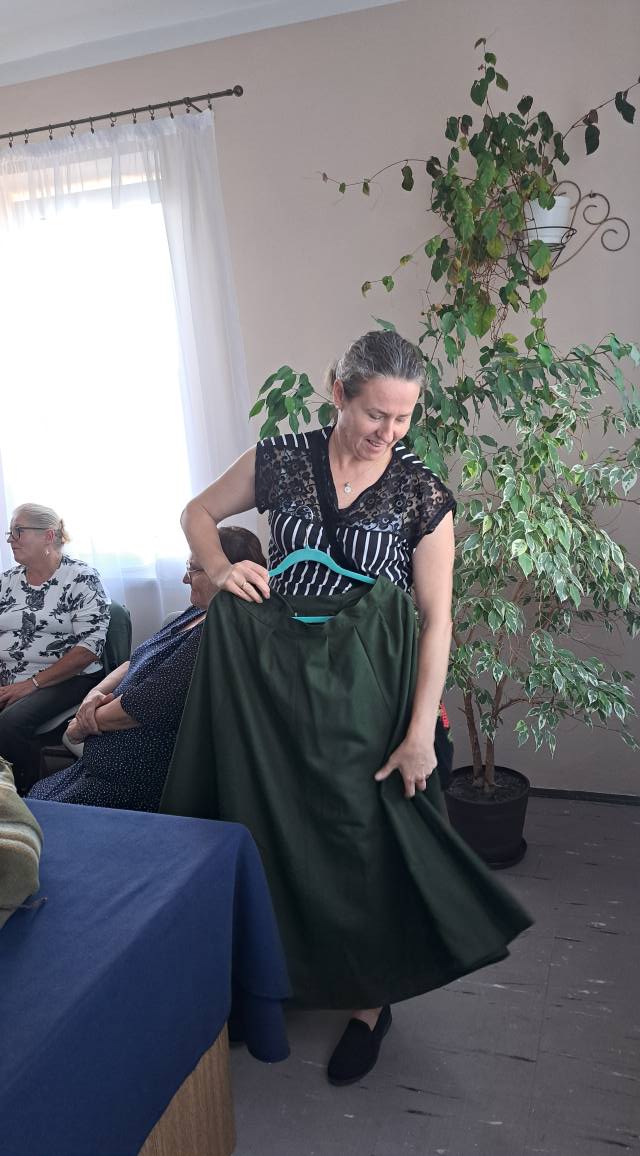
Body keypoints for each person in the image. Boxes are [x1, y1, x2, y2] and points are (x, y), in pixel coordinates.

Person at [165, 330, 532, 1085]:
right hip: (275, 687)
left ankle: (370, 1002)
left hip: (371, 695)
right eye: (375, 414)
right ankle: (276, 980)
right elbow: (196, 511)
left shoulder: (421, 494)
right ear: (338, 392)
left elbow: (438, 620)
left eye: (404, 418)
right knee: (272, 829)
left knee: (362, 843)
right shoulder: (279, 459)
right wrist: (221, 567)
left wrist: (421, 731)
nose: (388, 432)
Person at [29, 527, 265, 813]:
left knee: (39, 817)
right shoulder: (198, 612)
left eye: (194, 569)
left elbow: (145, 705)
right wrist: (91, 697)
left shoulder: (216, 634)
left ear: (225, 572)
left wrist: (83, 724)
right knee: (35, 802)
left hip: (133, 777)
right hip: (103, 759)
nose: (185, 578)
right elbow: (136, 658)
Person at [0, 504, 110, 792]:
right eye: (10, 532)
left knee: (9, 723)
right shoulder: (7, 581)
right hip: (12, 677)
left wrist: (31, 684)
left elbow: (89, 648)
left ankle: (29, 797)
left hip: (67, 678)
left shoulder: (81, 578)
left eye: (18, 531)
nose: (10, 539)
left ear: (48, 536)